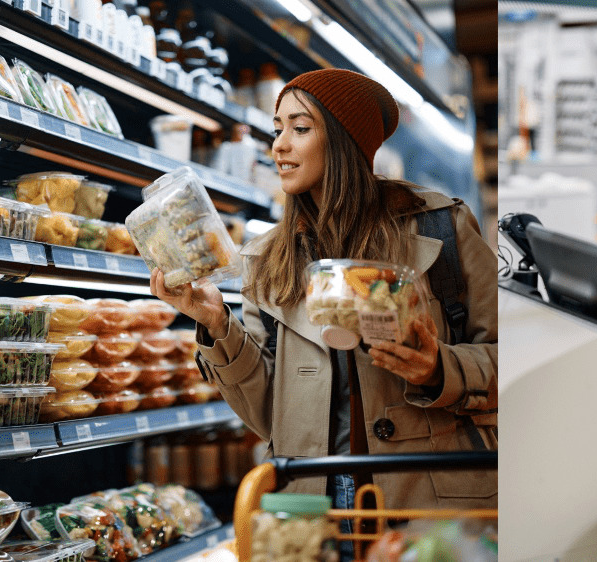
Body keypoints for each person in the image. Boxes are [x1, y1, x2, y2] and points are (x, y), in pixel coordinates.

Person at [149, 69, 497, 514]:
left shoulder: (440, 228)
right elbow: (267, 416)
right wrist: (217, 324)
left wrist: (438, 368)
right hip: (314, 504)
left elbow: (508, 361)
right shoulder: (266, 260)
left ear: (344, 139)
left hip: (431, 500)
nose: (279, 146)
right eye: (277, 130)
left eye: (300, 128)